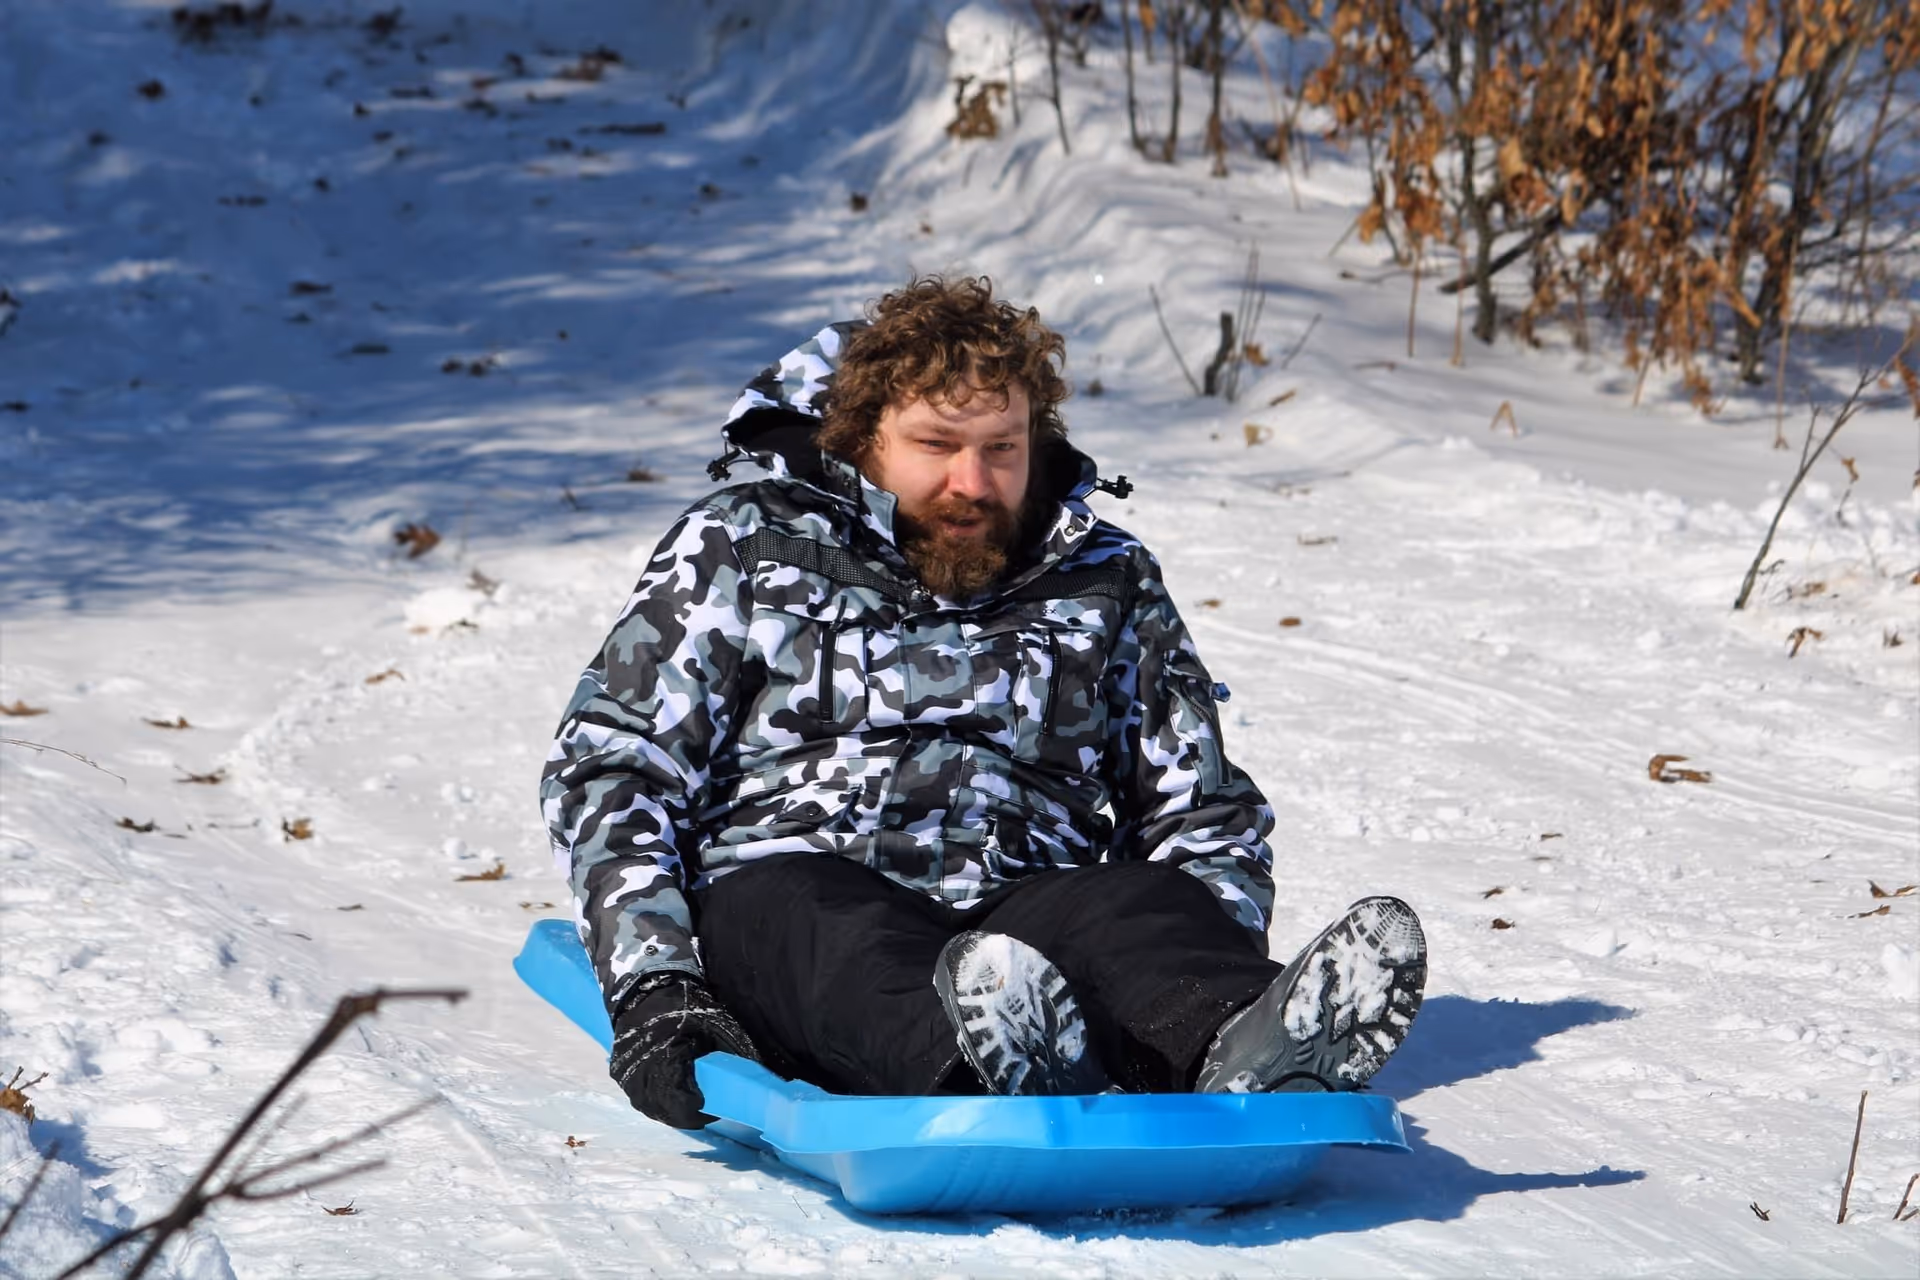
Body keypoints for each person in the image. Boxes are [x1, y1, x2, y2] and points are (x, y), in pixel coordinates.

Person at [540, 276, 1426, 1129]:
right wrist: (657, 982)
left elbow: (1198, 803)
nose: (972, 482)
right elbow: (614, 767)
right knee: (811, 916)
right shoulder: (746, 542)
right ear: (860, 438)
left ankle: (1237, 1045)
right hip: (794, 897)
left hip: (1023, 923)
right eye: (935, 446)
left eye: (1001, 449)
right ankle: (981, 1067)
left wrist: (1205, 951)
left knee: (1131, 904)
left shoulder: (1102, 577)